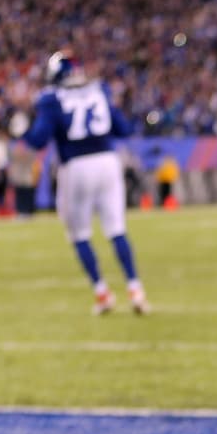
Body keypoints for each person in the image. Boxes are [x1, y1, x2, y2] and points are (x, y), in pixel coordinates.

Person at [22, 51, 150, 314]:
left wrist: (21, 129)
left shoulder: (50, 98)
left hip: (76, 166)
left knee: (79, 233)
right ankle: (135, 289)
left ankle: (102, 293)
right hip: (108, 162)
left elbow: (39, 139)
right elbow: (123, 130)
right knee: (116, 229)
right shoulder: (99, 89)